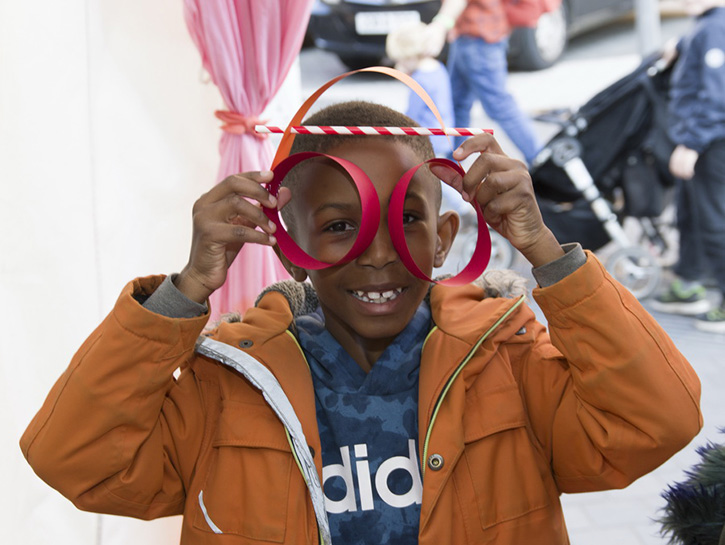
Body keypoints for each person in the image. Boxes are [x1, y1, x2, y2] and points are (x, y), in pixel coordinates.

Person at [20, 100, 702, 545]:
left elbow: (657, 420)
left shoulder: (509, 361)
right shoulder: (226, 384)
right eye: (339, 225)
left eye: (405, 221)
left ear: (440, 238)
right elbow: (76, 460)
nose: (378, 256)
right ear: (289, 244)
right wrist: (184, 291)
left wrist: (547, 255)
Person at [651, 0, 725, 334]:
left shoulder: (715, 28)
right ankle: (689, 282)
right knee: (691, 214)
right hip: (704, 140)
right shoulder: (707, 25)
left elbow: (717, 96)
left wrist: (693, 144)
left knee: (713, 221)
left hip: (711, 143)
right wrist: (679, 45)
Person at [425, 0, 542, 165]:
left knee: (499, 105)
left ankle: (542, 160)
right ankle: (453, 166)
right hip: (472, 34)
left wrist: (440, 25)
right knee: (457, 105)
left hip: (478, 38)